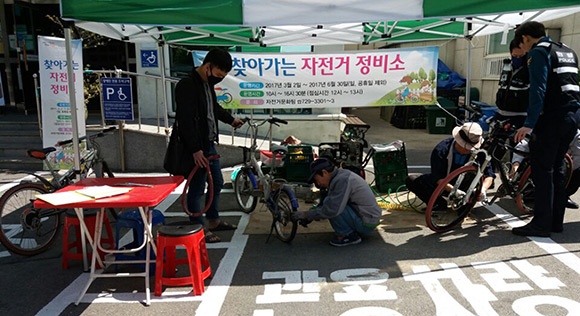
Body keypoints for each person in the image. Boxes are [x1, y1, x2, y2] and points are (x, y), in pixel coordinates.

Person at [512, 21, 580, 237]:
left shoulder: (539, 53)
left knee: (543, 171)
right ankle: (555, 222)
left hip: (551, 119)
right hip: (572, 117)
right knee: (558, 170)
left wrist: (529, 124)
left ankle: (541, 224)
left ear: (525, 38)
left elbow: (538, 90)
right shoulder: (568, 51)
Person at [175, 48, 244, 243]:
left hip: (209, 144)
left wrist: (231, 120)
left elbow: (213, 107)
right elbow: (185, 120)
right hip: (196, 148)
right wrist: (196, 149)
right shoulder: (187, 85)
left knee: (218, 183)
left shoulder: (207, 84)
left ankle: (213, 220)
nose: (219, 79)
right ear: (207, 66)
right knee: (197, 188)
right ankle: (198, 228)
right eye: (218, 75)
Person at [291, 158, 382, 247]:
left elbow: (332, 209)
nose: (317, 183)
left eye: (316, 179)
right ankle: (351, 231)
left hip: (367, 222)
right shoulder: (340, 176)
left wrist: (306, 215)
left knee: (332, 206)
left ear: (324, 173)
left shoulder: (342, 180)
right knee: (329, 201)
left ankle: (347, 236)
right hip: (366, 217)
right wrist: (310, 215)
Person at [405, 122, 495, 208]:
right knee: (412, 180)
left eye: (470, 148)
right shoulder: (441, 150)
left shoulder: (480, 153)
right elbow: (437, 177)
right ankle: (438, 204)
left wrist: (483, 189)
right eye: (465, 147)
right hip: (445, 184)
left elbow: (489, 174)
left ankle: (465, 205)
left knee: (463, 208)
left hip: (467, 188)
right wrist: (453, 190)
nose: (468, 150)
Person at [510, 129, 580, 209]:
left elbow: (578, 157)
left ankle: (564, 195)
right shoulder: (542, 124)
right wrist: (516, 163)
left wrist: (564, 169)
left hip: (562, 165)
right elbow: (523, 144)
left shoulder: (574, 133)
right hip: (538, 164)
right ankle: (526, 190)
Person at [494, 37, 530, 128]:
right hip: (501, 113)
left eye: (521, 56)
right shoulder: (507, 66)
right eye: (515, 56)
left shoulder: (530, 69)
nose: (517, 59)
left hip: (520, 117)